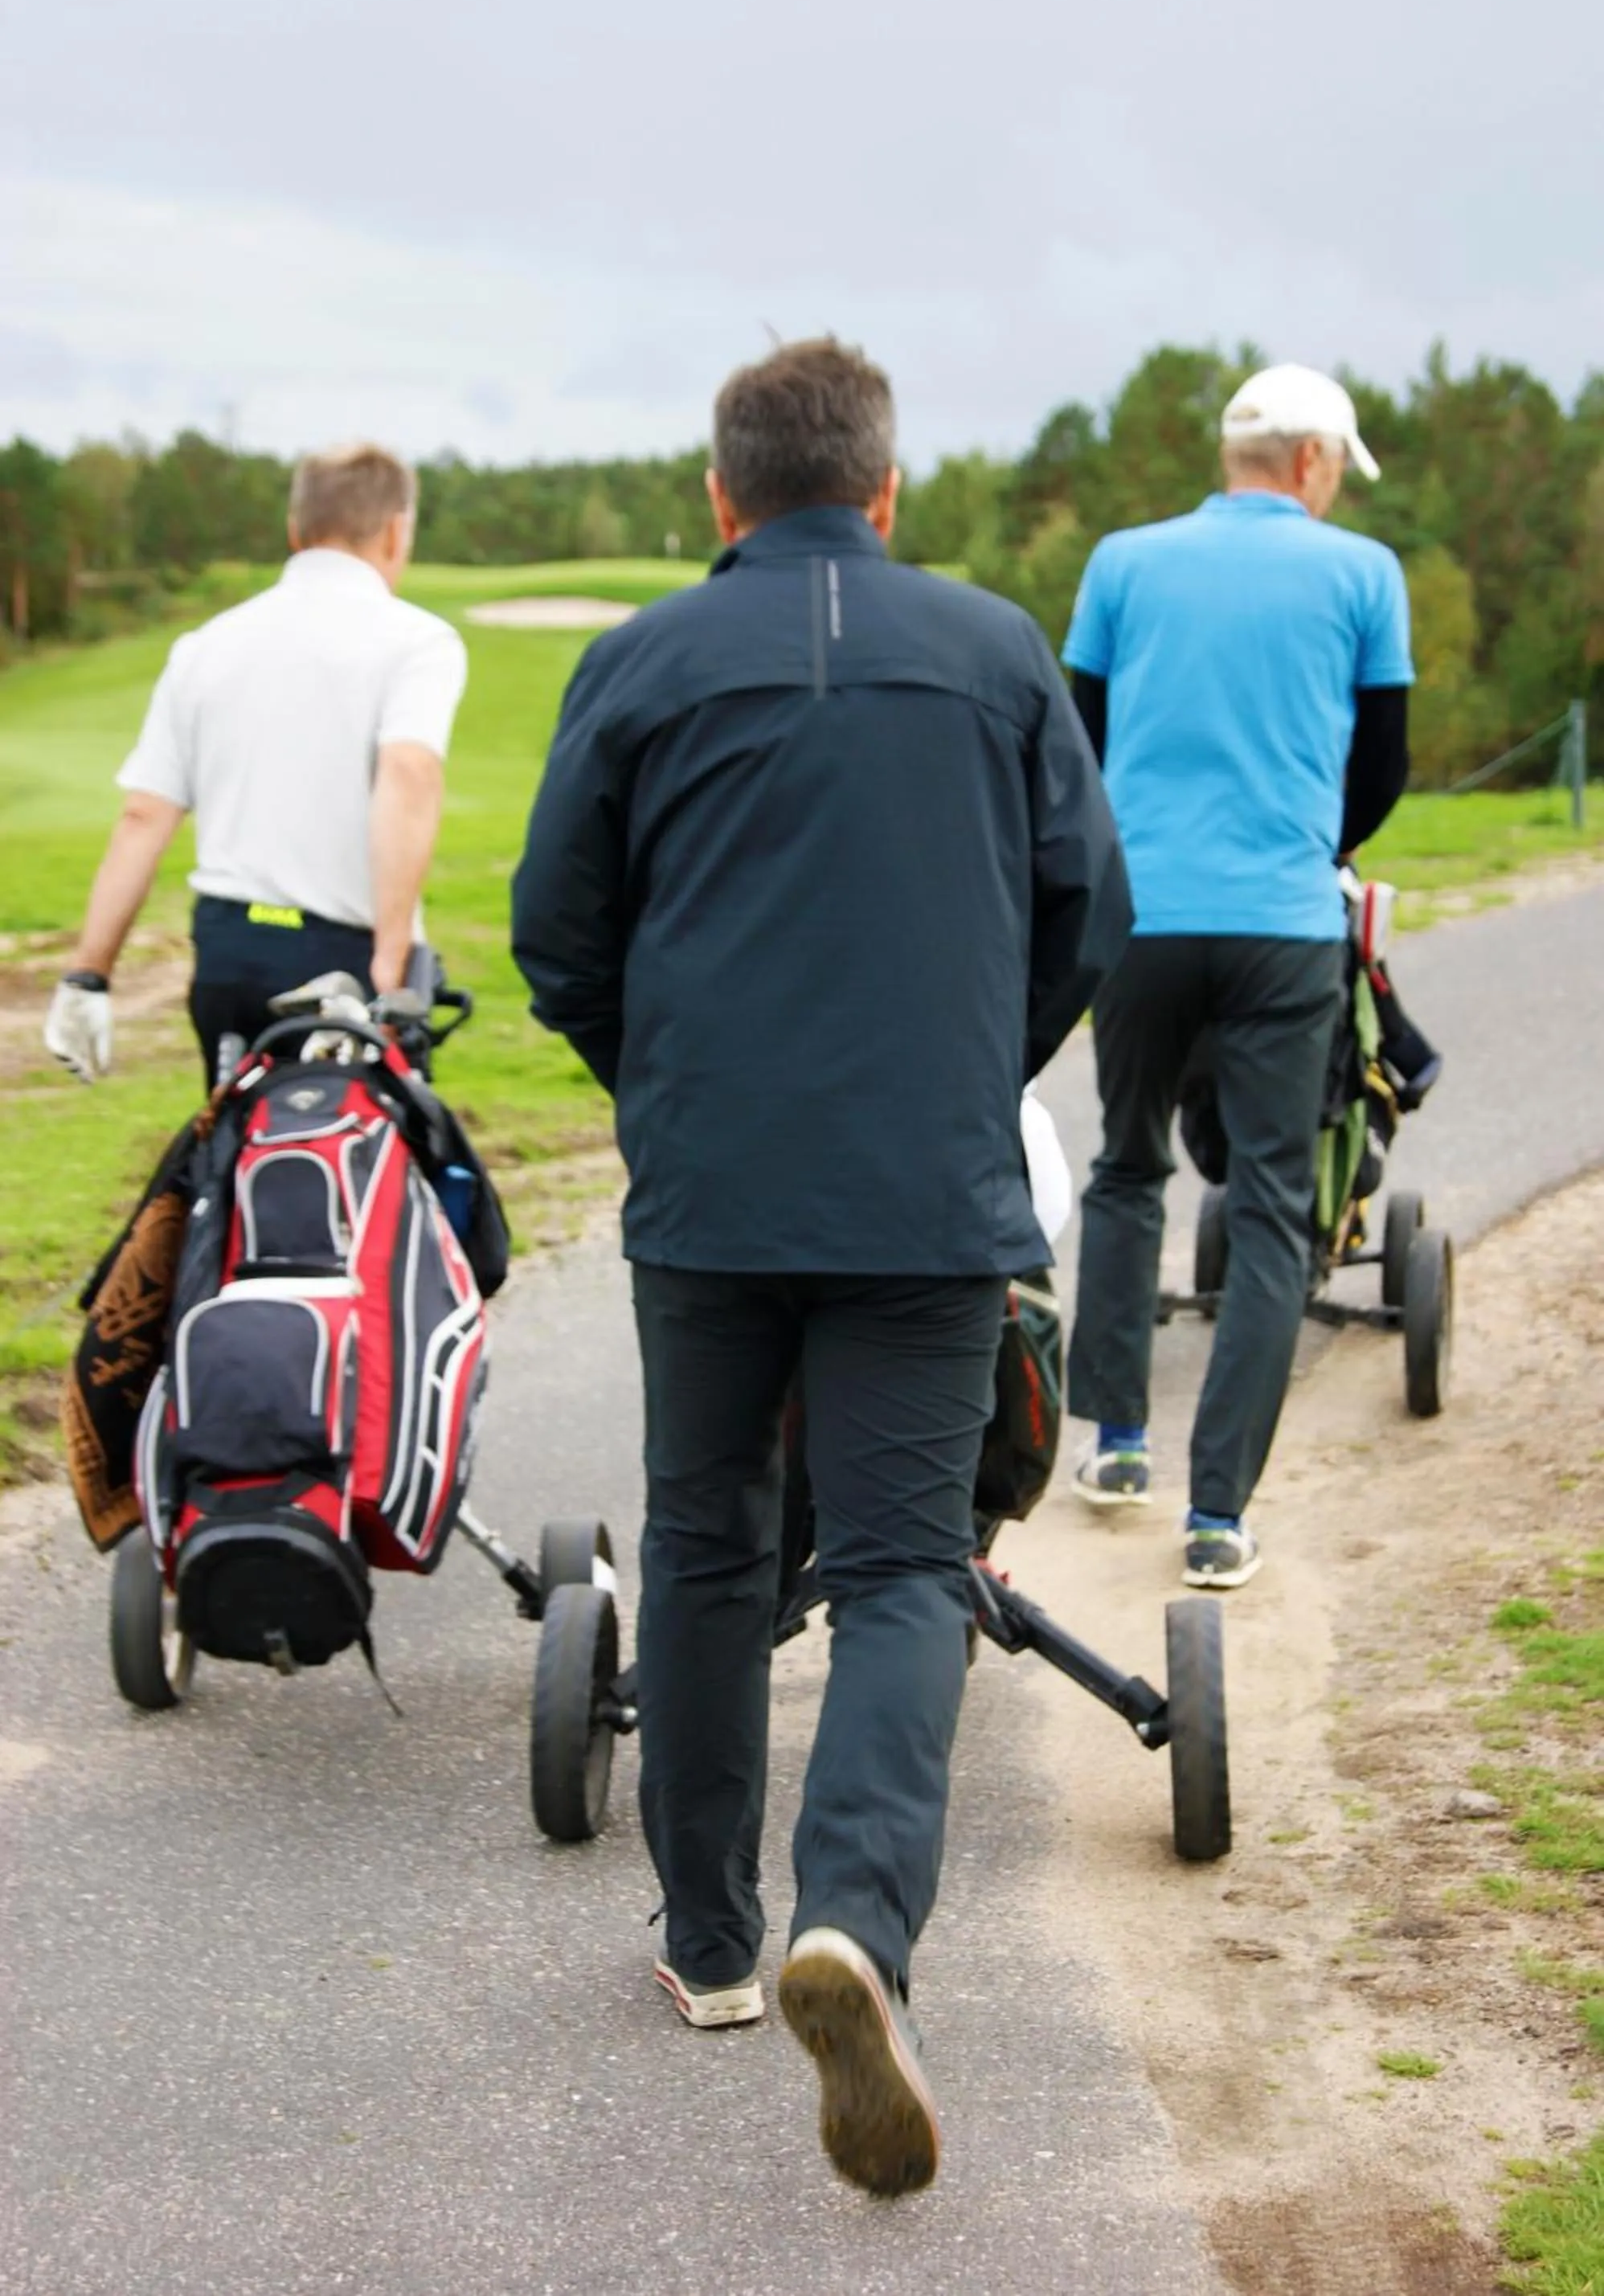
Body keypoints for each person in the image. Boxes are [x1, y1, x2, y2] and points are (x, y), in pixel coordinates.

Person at [511, 338, 1129, 2197]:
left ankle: (711, 1943)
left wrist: (671, 1079)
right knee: (898, 1564)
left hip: (711, 1189)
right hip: (924, 1197)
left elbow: (560, 931)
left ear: (720, 500)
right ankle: (852, 1913)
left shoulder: (637, 661)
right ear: (885, 490)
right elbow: (1084, 914)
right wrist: (961, 1072)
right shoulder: (1001, 651)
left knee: (702, 1538)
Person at [1063, 362, 1413, 1590]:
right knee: (1270, 1207)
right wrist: (1319, 846)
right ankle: (1217, 1515)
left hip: (1143, 919)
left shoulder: (1122, 562)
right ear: (1314, 462)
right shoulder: (1363, 574)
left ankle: (1114, 1444)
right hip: (1279, 923)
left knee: (1125, 1166)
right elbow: (1382, 764)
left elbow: (1083, 737)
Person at [43, 444, 465, 1093]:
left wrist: (88, 975)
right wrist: (391, 961)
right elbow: (408, 774)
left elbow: (143, 814)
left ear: (296, 530)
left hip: (228, 950)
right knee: (356, 1164)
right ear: (395, 530)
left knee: (240, 1151)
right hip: (346, 956)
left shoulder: (205, 646)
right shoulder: (416, 641)